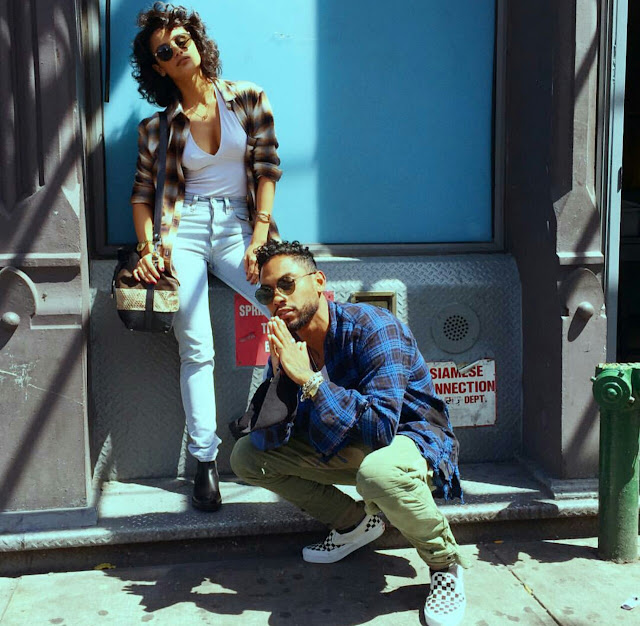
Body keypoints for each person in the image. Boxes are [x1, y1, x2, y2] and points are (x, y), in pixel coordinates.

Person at [230, 241, 467, 626]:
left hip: (410, 438)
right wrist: (280, 378)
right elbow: (270, 437)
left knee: (379, 473)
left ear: (319, 281)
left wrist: (308, 380)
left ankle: (445, 565)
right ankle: (354, 523)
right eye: (267, 292)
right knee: (246, 457)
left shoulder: (373, 327)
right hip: (344, 442)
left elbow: (380, 429)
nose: (278, 298)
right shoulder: (292, 343)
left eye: (287, 284)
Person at [130, 2, 281, 512]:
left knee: (291, 312)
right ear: (158, 67)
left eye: (182, 39)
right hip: (185, 232)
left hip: (241, 225)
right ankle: (205, 461)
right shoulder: (157, 128)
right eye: (164, 50)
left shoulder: (248, 98)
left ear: (196, 41)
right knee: (196, 346)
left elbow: (267, 168)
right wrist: (148, 248)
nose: (177, 49)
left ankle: (277, 419)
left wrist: (259, 237)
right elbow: (141, 196)